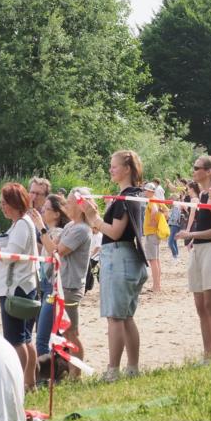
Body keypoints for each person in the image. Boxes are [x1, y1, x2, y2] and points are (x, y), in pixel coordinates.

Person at [80, 150, 149, 381]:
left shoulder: (125, 197)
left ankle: (113, 371)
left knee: (115, 317)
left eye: (114, 166)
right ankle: (132, 368)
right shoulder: (133, 195)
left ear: (127, 169)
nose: (110, 169)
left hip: (119, 257)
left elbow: (115, 232)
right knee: (126, 317)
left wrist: (94, 218)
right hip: (129, 258)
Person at [0, 183, 39, 388]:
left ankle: (18, 384)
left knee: (15, 340)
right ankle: (29, 383)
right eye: (1, 203)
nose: (2, 207)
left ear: (15, 203)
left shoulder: (21, 224)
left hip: (16, 289)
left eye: (4, 203)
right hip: (21, 287)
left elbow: (10, 256)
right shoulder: (20, 223)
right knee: (25, 338)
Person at [176, 155, 211, 359]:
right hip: (198, 250)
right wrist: (193, 238)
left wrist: (190, 234)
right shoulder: (202, 194)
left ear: (209, 172)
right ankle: (207, 355)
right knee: (200, 306)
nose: (193, 171)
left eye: (197, 167)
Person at [39, 187, 93, 378]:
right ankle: (68, 370)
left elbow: (56, 251)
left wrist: (41, 229)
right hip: (60, 284)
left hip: (70, 286)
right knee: (64, 331)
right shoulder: (71, 226)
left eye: (69, 202)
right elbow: (53, 247)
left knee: (71, 332)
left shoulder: (81, 229)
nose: (66, 205)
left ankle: (75, 374)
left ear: (80, 205)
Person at [31, 193, 69, 359]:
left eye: (46, 209)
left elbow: (53, 250)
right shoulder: (48, 232)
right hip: (46, 285)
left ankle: (47, 371)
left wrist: (40, 226)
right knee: (50, 335)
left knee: (42, 339)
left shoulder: (60, 232)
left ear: (57, 214)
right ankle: (59, 368)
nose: (42, 211)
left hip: (54, 287)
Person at [141, 182, 164, 294]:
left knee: (153, 260)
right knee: (156, 260)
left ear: (150, 191)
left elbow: (154, 210)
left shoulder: (152, 200)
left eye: (145, 190)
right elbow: (166, 211)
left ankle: (156, 286)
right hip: (155, 233)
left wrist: (153, 221)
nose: (144, 192)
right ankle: (157, 285)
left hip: (151, 233)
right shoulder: (157, 200)